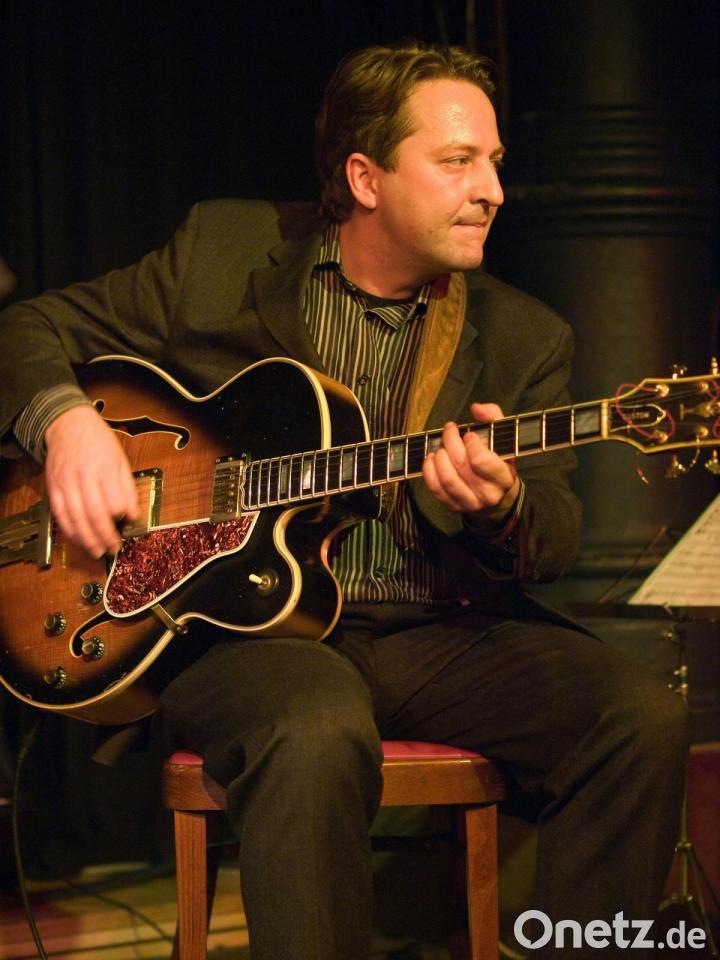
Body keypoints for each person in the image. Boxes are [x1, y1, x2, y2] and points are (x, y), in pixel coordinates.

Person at [0, 42, 686, 959]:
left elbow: (554, 536)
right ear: (365, 177)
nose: (492, 191)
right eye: (458, 161)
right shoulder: (224, 251)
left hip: (433, 634)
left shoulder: (524, 334)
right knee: (315, 725)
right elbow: (24, 327)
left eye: (493, 163)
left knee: (638, 717)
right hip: (246, 637)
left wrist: (504, 505)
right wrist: (65, 424)